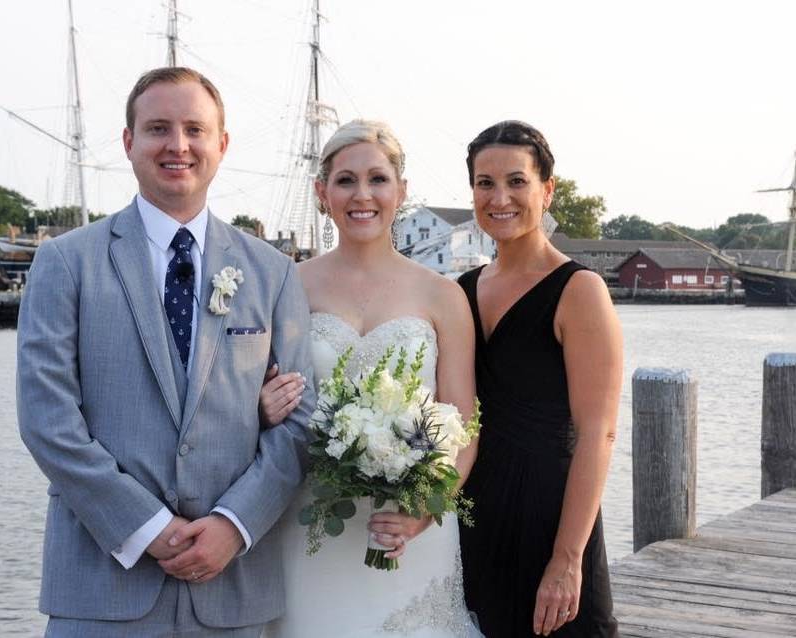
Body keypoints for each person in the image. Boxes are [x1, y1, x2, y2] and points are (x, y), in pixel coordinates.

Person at [17, 67, 315, 637]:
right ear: (128, 142)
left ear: (220, 145)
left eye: (194, 130)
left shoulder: (273, 273)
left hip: (234, 588)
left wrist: (234, 523)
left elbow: (299, 421)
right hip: (101, 587)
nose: (177, 145)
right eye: (157, 128)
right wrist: (146, 525)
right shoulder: (66, 263)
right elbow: (47, 420)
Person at [258, 119, 482, 637]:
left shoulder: (442, 296)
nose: (363, 195)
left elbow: (464, 425)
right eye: (345, 180)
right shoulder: (287, 286)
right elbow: (259, 395)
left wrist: (424, 511)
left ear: (401, 191)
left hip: (409, 529)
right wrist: (263, 408)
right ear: (322, 193)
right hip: (312, 519)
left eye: (378, 179)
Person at [456, 121, 622, 637]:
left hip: (550, 519)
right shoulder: (460, 290)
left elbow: (598, 433)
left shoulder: (579, 290)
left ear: (547, 190)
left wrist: (567, 560)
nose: (499, 197)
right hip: (474, 521)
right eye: (485, 183)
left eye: (516, 181)